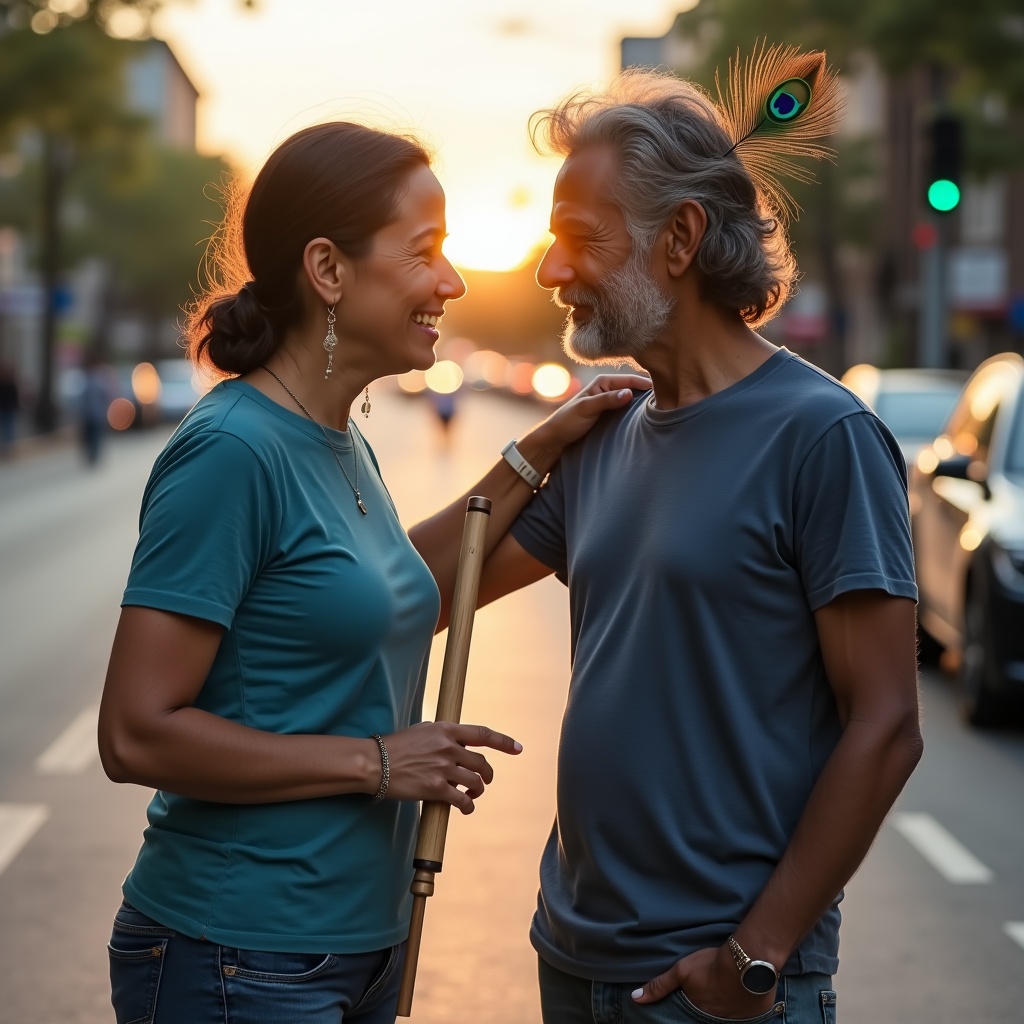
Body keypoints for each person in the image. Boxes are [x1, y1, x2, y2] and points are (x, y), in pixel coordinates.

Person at [97, 121, 649, 1024]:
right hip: (238, 955)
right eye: (424, 252)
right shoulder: (232, 452)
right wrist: (381, 760)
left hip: (355, 950)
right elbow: (135, 734)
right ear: (328, 271)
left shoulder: (339, 438)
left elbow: (401, 594)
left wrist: (533, 456)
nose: (452, 283)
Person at [474, 50, 924, 1022]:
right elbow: (424, 593)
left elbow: (886, 725)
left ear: (677, 239)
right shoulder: (599, 435)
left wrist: (754, 956)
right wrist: (527, 450)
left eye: (576, 239)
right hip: (571, 955)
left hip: (713, 986)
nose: (550, 269)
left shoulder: (823, 435)